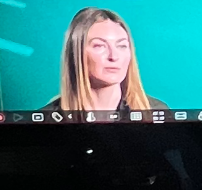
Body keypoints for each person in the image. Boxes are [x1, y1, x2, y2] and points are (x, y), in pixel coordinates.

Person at [39, 6, 167, 120]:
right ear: (76, 54)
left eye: (121, 46)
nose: (114, 56)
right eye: (99, 46)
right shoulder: (45, 119)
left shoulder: (156, 111)